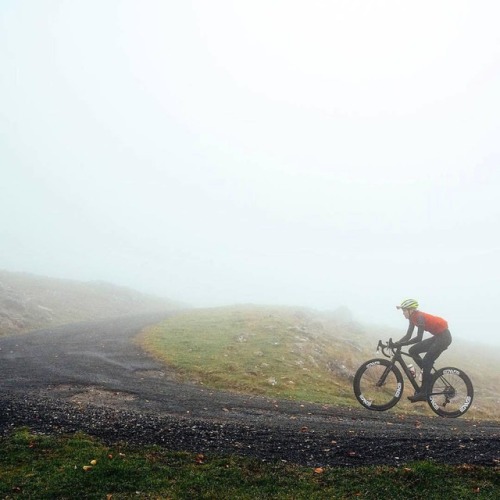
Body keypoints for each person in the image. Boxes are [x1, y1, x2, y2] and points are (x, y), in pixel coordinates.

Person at [394, 299, 452, 402]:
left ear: (410, 310)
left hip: (444, 337)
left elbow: (418, 338)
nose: (403, 313)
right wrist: (396, 343)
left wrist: (401, 344)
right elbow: (408, 335)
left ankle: (424, 393)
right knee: (413, 350)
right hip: (439, 336)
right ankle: (427, 375)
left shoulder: (419, 317)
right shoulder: (412, 318)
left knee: (426, 360)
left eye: (404, 311)